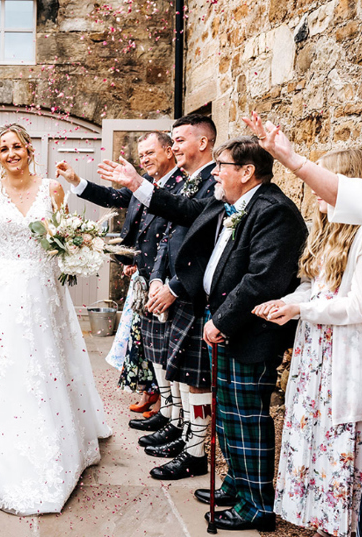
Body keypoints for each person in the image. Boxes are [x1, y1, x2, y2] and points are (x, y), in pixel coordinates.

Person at [98, 136, 307, 531]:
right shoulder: (228, 202)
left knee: (246, 418)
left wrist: (220, 320)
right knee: (226, 415)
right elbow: (181, 208)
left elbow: (262, 280)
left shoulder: (273, 211)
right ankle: (236, 484)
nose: (214, 171)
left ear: (246, 172)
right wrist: (133, 184)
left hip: (248, 330)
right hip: (222, 323)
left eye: (221, 164)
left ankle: (257, 504)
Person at [0, 123, 110, 515]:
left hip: (44, 290)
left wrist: (77, 252)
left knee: (44, 363)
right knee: (3, 365)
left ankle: (56, 442)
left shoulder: (52, 189)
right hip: (4, 288)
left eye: (16, 146)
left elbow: (65, 236)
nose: (10, 153)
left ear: (29, 150)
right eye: (3, 148)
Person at [244, 112, 362, 537]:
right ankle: (321, 523)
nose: (314, 191)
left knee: (342, 440)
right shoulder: (330, 232)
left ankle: (347, 525)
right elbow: (314, 288)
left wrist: (302, 311)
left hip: (347, 355)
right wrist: (287, 302)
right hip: (317, 354)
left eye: (324, 180)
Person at [60, 131, 185, 417]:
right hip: (144, 273)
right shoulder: (146, 184)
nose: (144, 159)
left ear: (169, 152)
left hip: (167, 278)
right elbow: (113, 197)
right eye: (141, 155)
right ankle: (154, 395)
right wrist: (76, 181)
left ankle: (164, 405)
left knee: (160, 343)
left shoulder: (180, 185)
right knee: (143, 341)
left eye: (150, 153)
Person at [144, 116, 217, 480]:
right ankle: (189, 440)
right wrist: (158, 278)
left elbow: (203, 246)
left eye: (178, 140)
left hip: (193, 295)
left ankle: (195, 451)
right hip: (173, 289)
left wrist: (173, 286)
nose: (173, 147)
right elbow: (168, 236)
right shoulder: (191, 182)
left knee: (194, 377)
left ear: (203, 143)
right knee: (183, 373)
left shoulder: (213, 184)